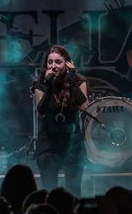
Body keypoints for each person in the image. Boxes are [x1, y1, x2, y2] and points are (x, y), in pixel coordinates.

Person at [32, 45, 88, 197]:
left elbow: (83, 105)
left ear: (67, 64)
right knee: (50, 192)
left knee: (74, 192)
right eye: (50, 62)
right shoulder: (41, 84)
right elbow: (40, 112)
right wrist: (49, 86)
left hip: (71, 143)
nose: (53, 66)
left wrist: (72, 79)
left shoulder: (79, 82)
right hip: (49, 144)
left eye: (58, 62)